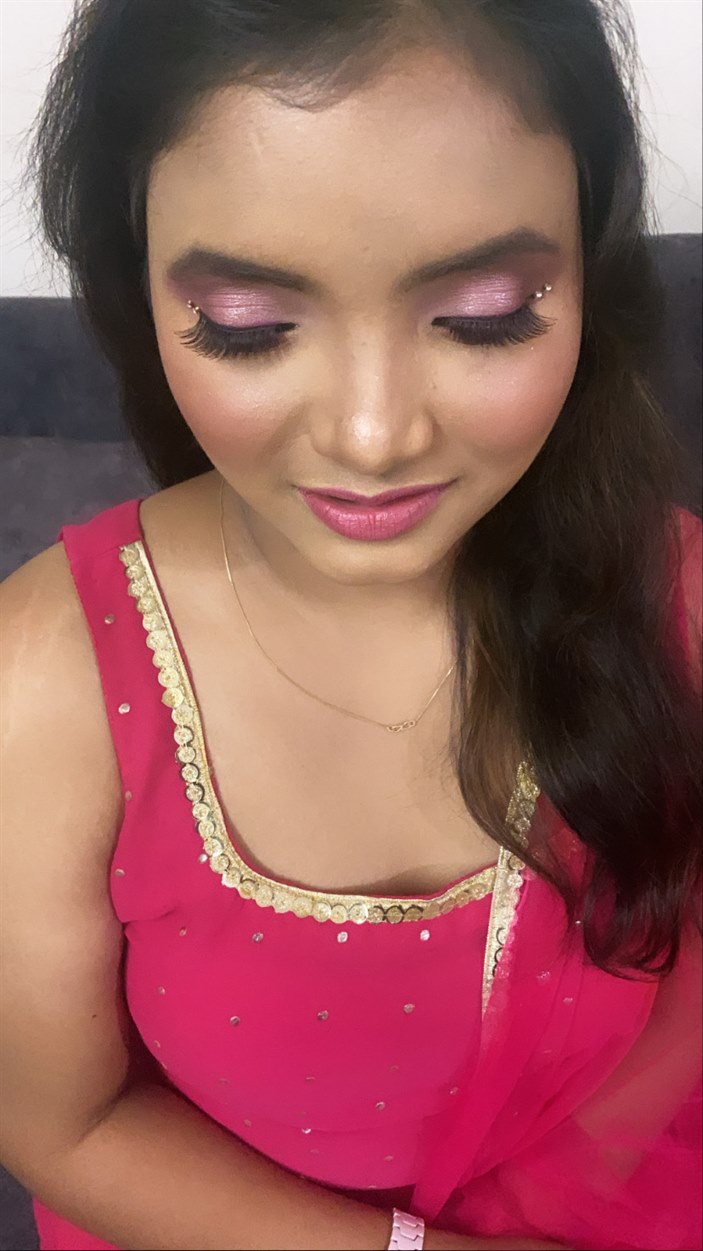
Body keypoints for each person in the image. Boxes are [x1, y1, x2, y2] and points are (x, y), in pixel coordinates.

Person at [1, 1, 701, 1249]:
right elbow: (61, 1125)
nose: (373, 436)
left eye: (484, 312)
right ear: (134, 282)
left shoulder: (674, 604)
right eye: (250, 327)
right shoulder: (45, 688)